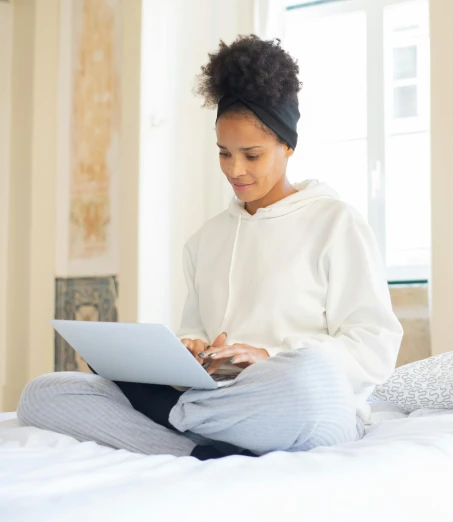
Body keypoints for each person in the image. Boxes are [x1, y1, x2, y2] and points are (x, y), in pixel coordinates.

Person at [17, 35, 403, 459]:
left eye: (251, 155)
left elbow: (374, 345)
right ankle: (197, 443)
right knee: (45, 393)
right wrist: (191, 348)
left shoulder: (336, 223)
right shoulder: (205, 240)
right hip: (225, 402)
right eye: (224, 153)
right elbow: (198, 331)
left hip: (299, 404)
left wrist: (269, 356)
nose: (235, 170)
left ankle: (172, 420)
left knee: (307, 379)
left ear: (288, 145)